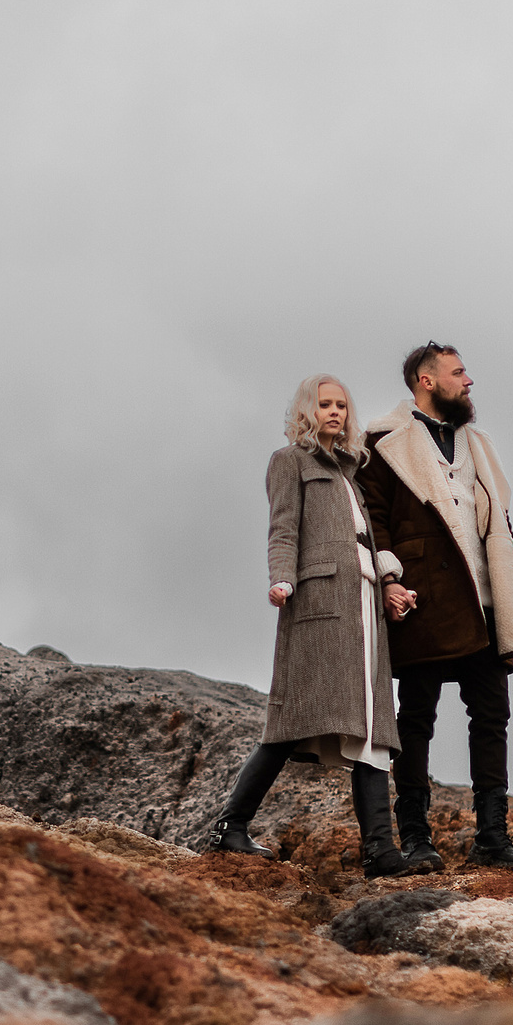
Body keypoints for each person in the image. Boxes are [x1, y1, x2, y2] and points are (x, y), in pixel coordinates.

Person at [203, 375, 419, 878]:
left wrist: (390, 585)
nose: (335, 412)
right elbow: (283, 529)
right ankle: (230, 826)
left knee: (372, 726)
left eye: (341, 404)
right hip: (319, 605)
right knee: (294, 719)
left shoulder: (351, 472)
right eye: (325, 404)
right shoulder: (289, 461)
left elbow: (364, 542)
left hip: (364, 609)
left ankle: (380, 852)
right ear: (307, 411)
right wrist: (281, 578)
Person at [358, 342, 513, 873]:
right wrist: (389, 577)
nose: (469, 381)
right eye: (459, 372)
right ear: (426, 380)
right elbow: (372, 517)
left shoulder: (476, 444)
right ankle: (416, 837)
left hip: (484, 598)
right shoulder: (382, 441)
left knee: (492, 716)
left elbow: (497, 518)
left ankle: (492, 837)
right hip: (425, 597)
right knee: (417, 718)